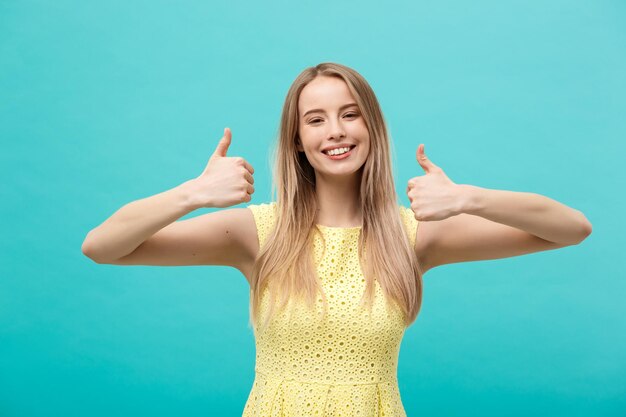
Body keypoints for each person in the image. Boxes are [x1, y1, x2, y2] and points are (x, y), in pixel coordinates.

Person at [81, 62, 593, 416]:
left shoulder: (412, 236)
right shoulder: (259, 233)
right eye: (316, 119)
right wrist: (192, 193)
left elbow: (571, 228)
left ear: (371, 126)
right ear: (298, 142)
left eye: (350, 114)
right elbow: (102, 247)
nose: (336, 131)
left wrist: (468, 198)